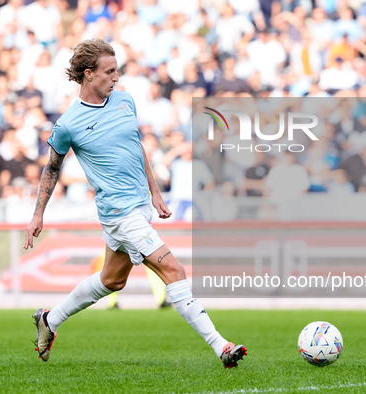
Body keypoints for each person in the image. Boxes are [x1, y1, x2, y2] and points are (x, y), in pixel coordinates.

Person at [23, 38, 246, 368]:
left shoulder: (125, 101)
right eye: (110, 72)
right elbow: (51, 169)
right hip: (119, 213)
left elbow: (136, 146)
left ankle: (49, 320)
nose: (117, 78)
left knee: (112, 280)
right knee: (174, 269)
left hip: (140, 205)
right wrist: (37, 214)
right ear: (88, 74)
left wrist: (155, 192)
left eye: (118, 71)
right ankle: (220, 346)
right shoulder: (68, 124)